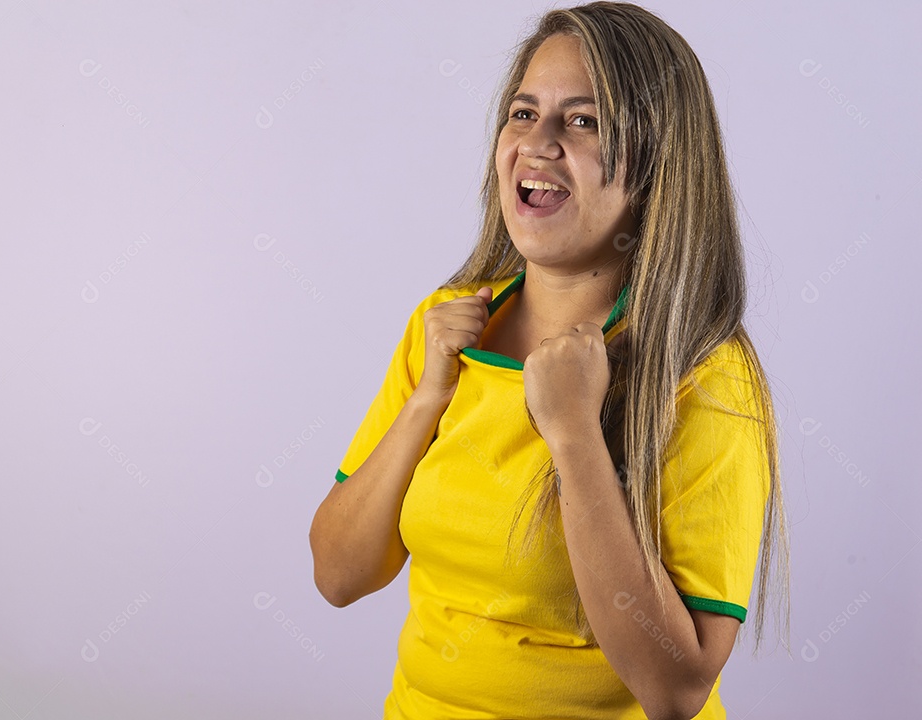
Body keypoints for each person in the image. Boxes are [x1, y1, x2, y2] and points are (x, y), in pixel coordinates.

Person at [309, 2, 790, 718]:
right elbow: (339, 575)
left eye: (585, 121)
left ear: (660, 163)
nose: (538, 144)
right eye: (524, 113)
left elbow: (675, 688)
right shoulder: (444, 326)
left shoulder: (703, 374)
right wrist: (426, 401)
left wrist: (572, 430)